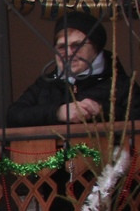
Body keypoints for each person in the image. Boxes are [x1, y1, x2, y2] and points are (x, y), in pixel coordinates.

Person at [7, 11, 139, 126]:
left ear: (95, 49)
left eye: (77, 45)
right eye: (61, 47)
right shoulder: (45, 85)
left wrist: (102, 111)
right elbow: (14, 116)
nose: (69, 53)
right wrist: (58, 112)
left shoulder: (121, 84)